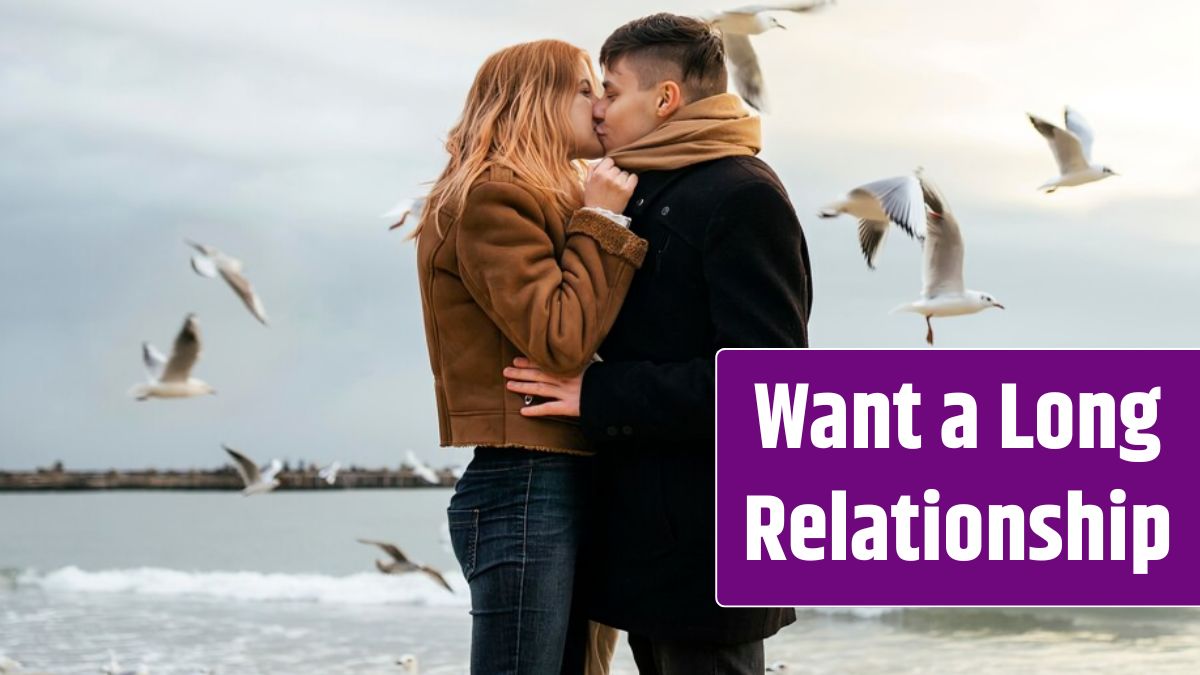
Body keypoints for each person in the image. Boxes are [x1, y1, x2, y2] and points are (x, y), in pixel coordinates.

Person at [504, 14, 813, 675]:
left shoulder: (741, 195)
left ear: (666, 99)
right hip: (643, 544)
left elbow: (767, 388)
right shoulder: (640, 187)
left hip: (707, 552)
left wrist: (597, 393)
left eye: (611, 91)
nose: (598, 108)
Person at [412, 39, 648, 674]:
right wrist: (601, 221)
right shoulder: (493, 196)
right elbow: (562, 338)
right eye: (583, 87)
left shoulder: (550, 195)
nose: (601, 103)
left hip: (565, 472)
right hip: (527, 480)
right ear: (537, 100)